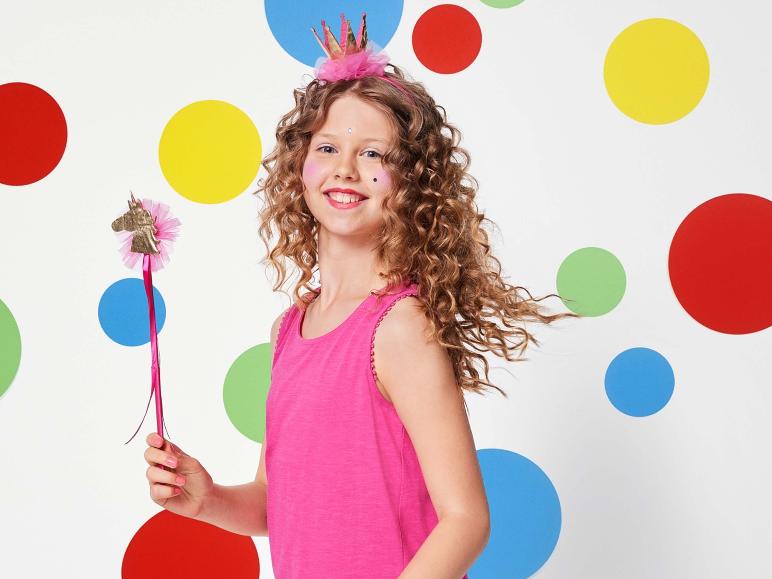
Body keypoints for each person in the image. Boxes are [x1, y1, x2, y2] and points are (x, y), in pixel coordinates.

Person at [143, 12, 579, 578]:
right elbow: (280, 506)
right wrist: (207, 499)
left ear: (411, 183)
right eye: (327, 147)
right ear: (299, 167)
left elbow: (466, 519)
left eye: (374, 154)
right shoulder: (288, 333)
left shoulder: (399, 327)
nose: (345, 169)